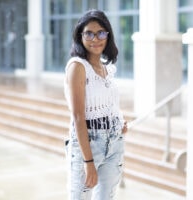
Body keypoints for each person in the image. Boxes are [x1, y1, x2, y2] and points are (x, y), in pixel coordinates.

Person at [64, 9, 128, 200]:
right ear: (80, 36)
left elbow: (110, 104)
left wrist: (118, 122)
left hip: (114, 143)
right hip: (88, 145)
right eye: (89, 33)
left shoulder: (107, 69)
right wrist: (88, 160)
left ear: (107, 35)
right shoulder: (78, 66)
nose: (95, 39)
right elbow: (78, 116)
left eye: (101, 33)